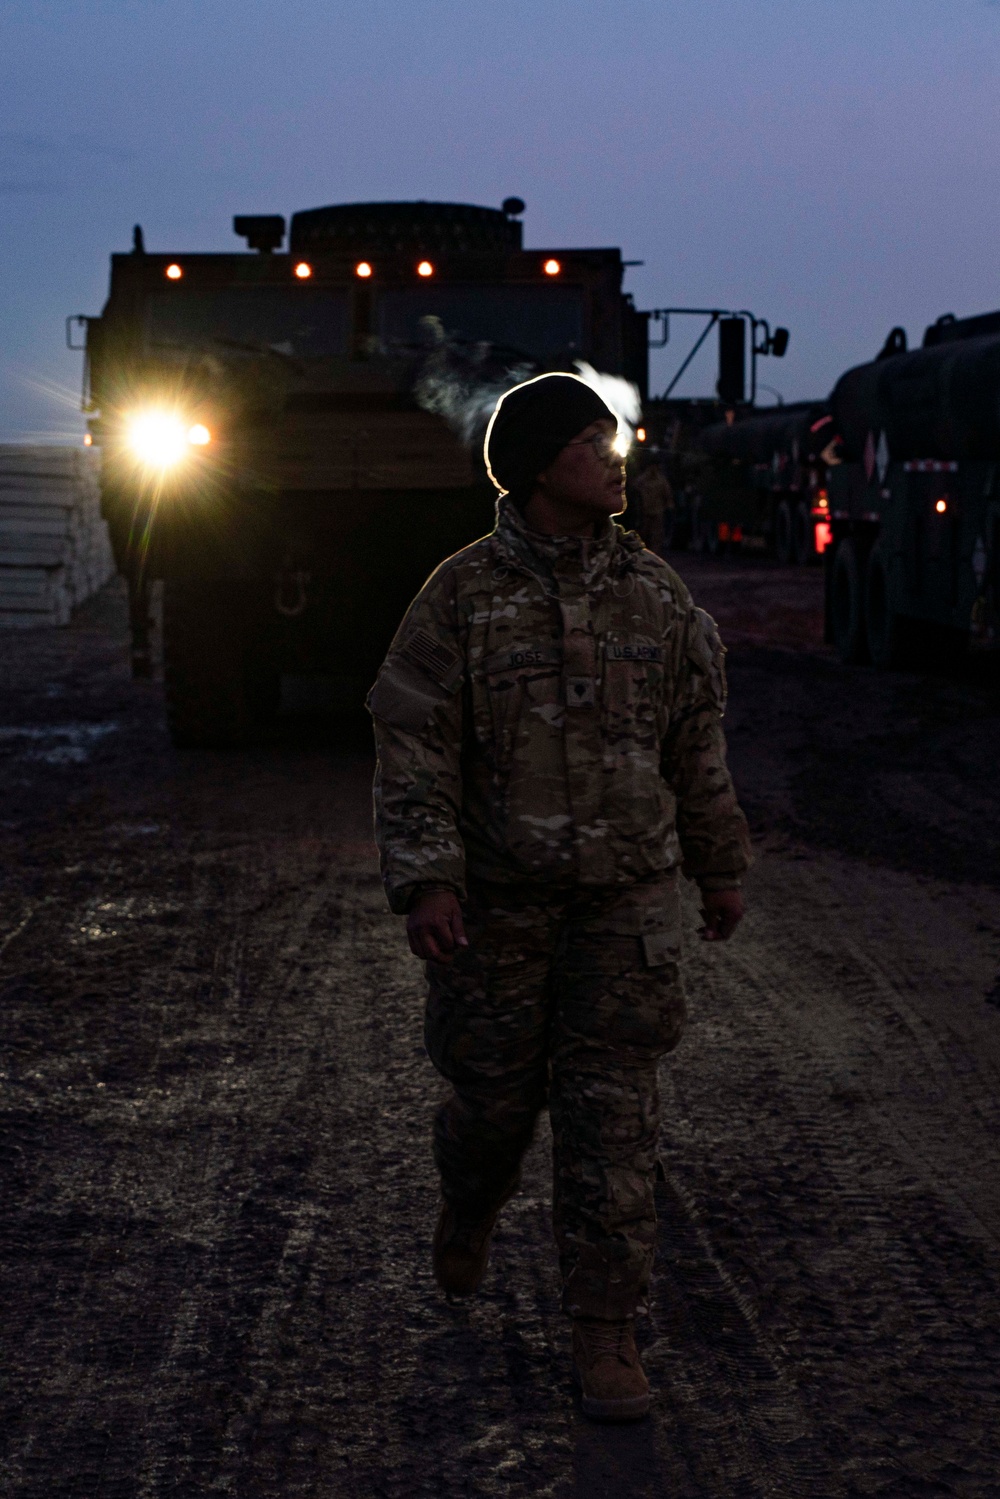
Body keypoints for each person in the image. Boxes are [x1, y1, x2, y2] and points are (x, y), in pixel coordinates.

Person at [368, 373, 751, 1422]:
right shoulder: (459, 596)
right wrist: (429, 879)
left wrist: (720, 866)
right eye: (595, 441)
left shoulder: (658, 597)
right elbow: (414, 751)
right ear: (542, 464)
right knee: (491, 1107)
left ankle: (604, 1330)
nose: (617, 455)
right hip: (498, 908)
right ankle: (470, 1203)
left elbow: (696, 750)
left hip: (624, 909)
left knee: (613, 1120)